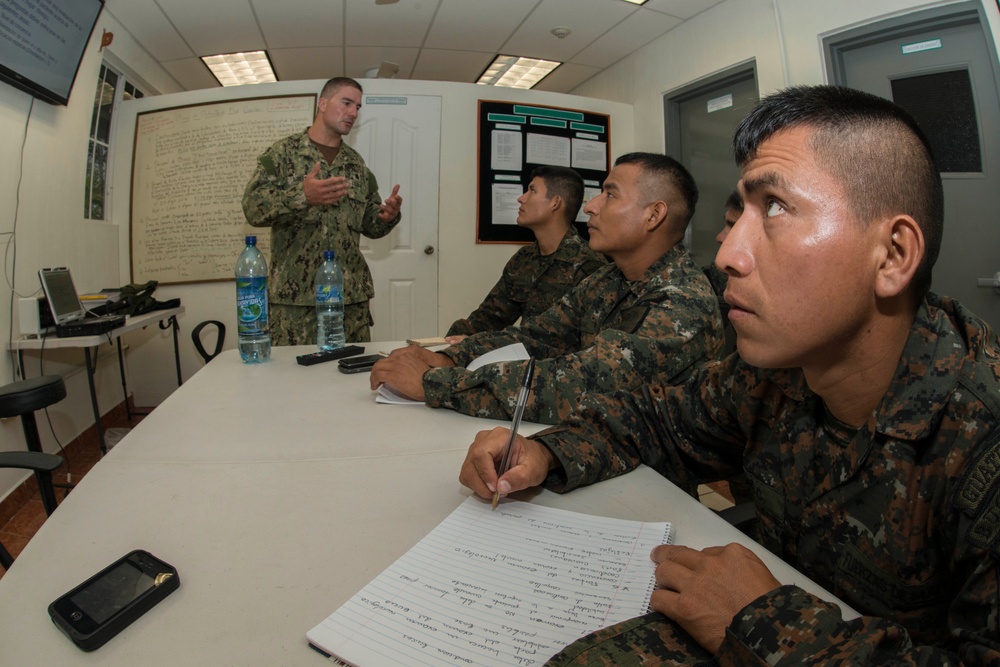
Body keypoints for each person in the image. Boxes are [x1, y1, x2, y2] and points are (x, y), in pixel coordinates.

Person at [459, 85, 1000, 664]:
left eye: (775, 208)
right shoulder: (775, 372)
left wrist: (763, 623)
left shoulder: (982, 433)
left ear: (892, 255)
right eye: (740, 211)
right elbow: (658, 419)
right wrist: (547, 453)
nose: (726, 255)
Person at [371, 152, 723, 426]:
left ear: (653, 215)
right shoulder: (606, 281)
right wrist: (447, 356)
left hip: (652, 480)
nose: (590, 206)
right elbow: (536, 338)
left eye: (610, 195)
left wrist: (436, 382)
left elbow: (581, 385)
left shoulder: (683, 301)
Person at [242, 77, 403, 344]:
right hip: (296, 303)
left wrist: (388, 217)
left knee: (349, 381)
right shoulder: (283, 153)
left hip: (349, 301)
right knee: (293, 382)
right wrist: (301, 196)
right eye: (347, 102)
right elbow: (252, 208)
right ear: (323, 103)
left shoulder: (355, 164)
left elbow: (370, 224)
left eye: (358, 107)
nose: (353, 112)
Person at [444, 166, 605, 341]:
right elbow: (488, 318)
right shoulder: (524, 259)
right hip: (521, 356)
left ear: (555, 203)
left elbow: (579, 347)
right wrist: (447, 344)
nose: (521, 198)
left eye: (532, 191)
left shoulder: (589, 266)